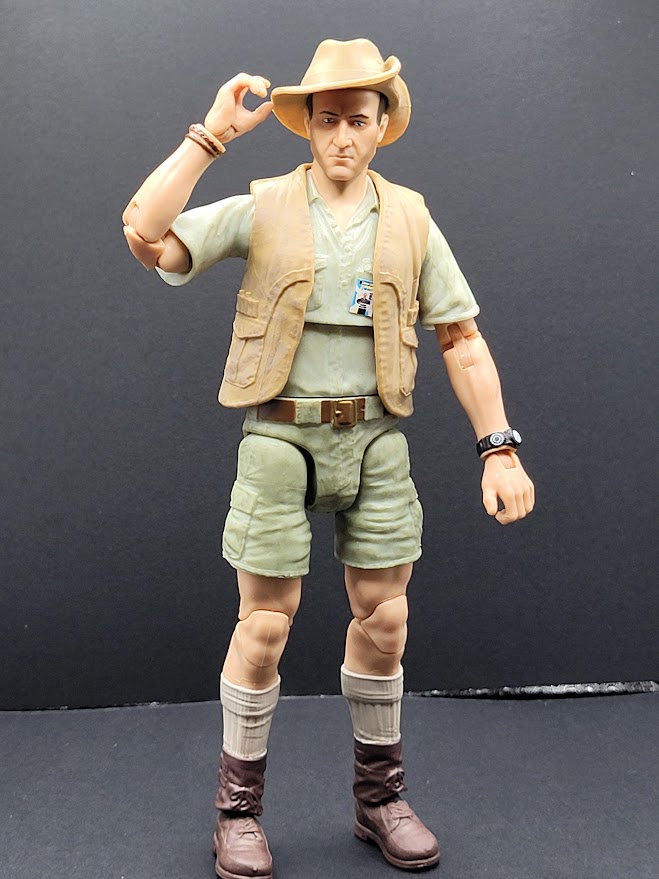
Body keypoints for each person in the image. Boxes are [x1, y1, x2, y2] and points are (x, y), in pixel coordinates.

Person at [123, 38, 534, 879]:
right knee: (264, 626)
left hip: (375, 437)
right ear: (307, 125)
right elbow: (146, 234)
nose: (343, 136)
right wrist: (209, 136)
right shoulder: (267, 205)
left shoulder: (410, 219)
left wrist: (497, 447)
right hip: (279, 436)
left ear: (383, 125)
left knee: (386, 620)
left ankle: (379, 797)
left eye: (358, 119)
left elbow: (459, 338)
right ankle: (237, 810)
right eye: (328, 119)